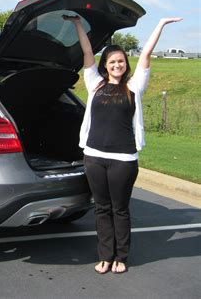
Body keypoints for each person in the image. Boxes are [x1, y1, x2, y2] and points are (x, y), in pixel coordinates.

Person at [64, 15, 183, 274]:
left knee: (120, 209)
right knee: (102, 209)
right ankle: (105, 256)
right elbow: (87, 52)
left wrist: (160, 24)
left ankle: (121, 257)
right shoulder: (95, 85)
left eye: (120, 61)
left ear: (125, 64)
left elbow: (147, 54)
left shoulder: (134, 86)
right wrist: (77, 25)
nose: (117, 64)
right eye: (112, 61)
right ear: (105, 66)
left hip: (124, 161)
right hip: (94, 157)